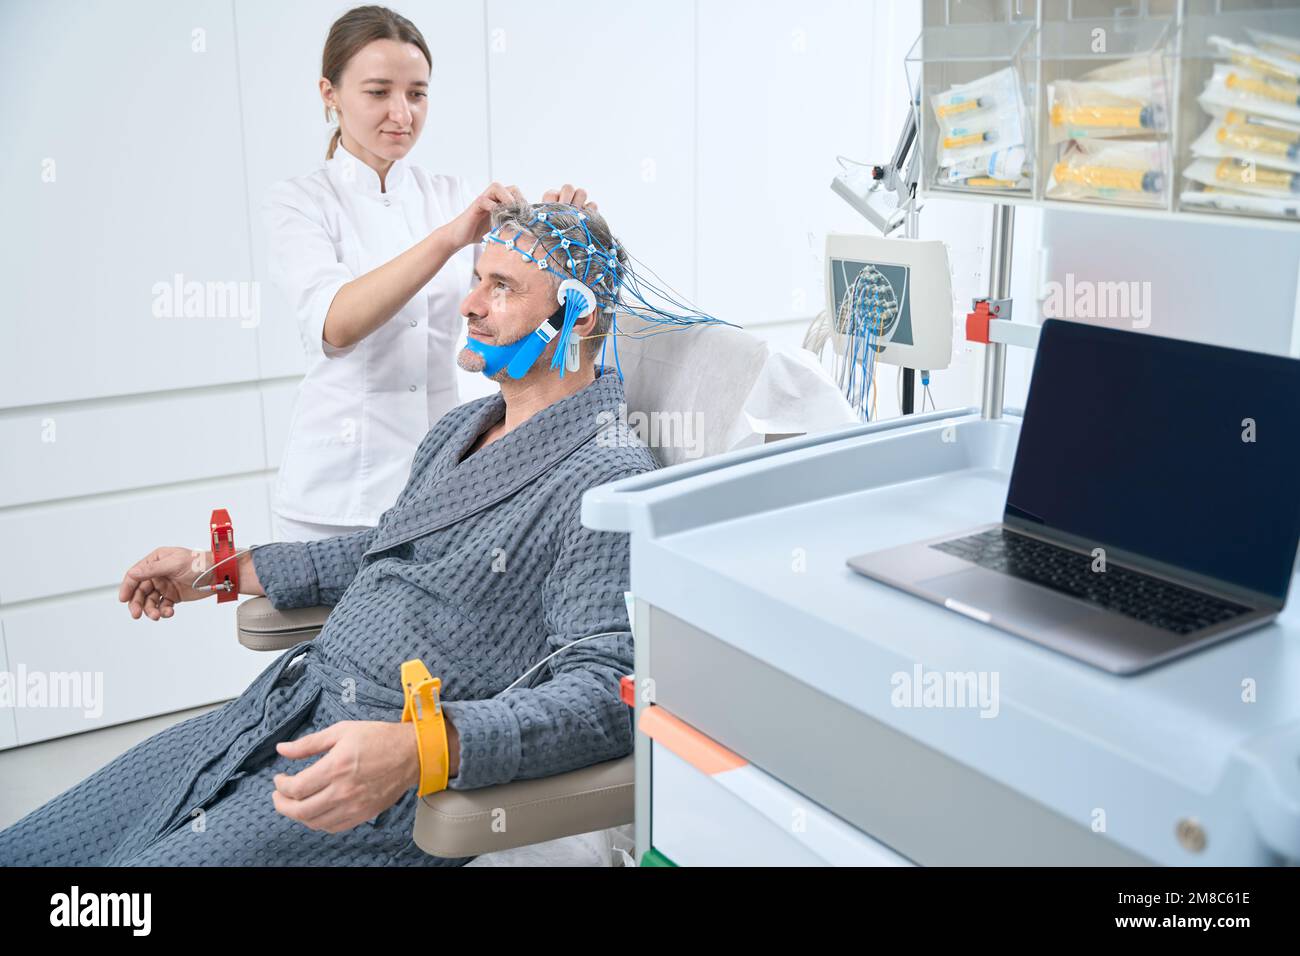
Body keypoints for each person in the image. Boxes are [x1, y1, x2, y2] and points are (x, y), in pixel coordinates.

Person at [0, 201, 655, 866]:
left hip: (375, 777)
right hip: (282, 710)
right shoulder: (460, 431)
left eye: (502, 287)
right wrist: (216, 568)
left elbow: (606, 692)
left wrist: (421, 748)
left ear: (577, 314)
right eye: (477, 277)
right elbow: (383, 552)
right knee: (34, 846)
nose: (469, 304)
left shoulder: (604, 479)